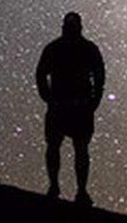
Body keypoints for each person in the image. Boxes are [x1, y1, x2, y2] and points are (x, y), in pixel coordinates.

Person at [35, 12, 105, 206]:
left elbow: (100, 77)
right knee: (59, 147)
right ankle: (59, 187)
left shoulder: (64, 48)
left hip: (76, 106)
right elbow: (41, 75)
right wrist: (48, 98)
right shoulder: (82, 48)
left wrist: (93, 102)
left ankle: (76, 190)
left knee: (76, 148)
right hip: (65, 104)